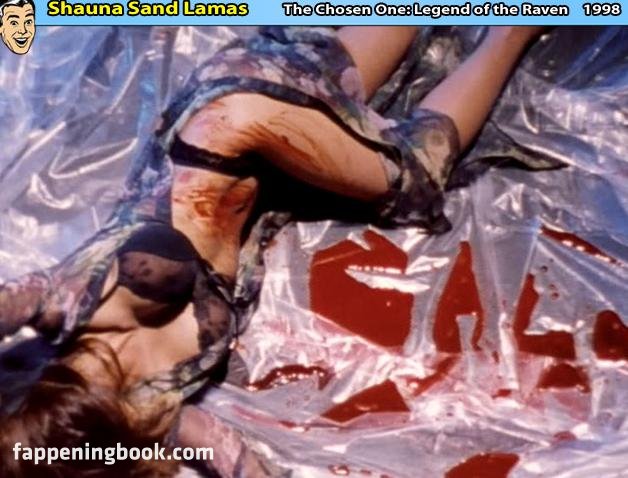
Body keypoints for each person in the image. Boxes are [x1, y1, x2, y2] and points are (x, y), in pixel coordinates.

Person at [0, 26, 546, 477]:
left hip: (241, 121)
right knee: (365, 53)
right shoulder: (151, 414)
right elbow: (238, 463)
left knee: (413, 175)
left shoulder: (72, 302)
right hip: (258, 125)